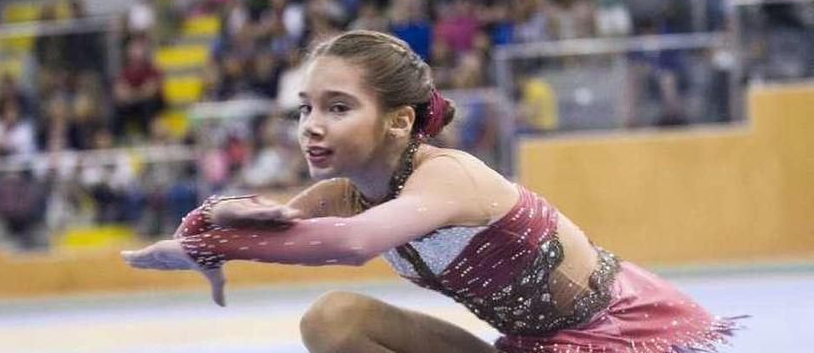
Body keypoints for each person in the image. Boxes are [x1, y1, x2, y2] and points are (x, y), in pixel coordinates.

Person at [122, 30, 741, 352]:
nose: (311, 125)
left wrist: (225, 243)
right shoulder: (345, 193)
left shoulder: (449, 176)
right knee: (334, 321)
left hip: (615, 342)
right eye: (305, 107)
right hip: (530, 346)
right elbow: (275, 220)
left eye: (337, 108)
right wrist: (212, 228)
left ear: (398, 121)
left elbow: (353, 245)